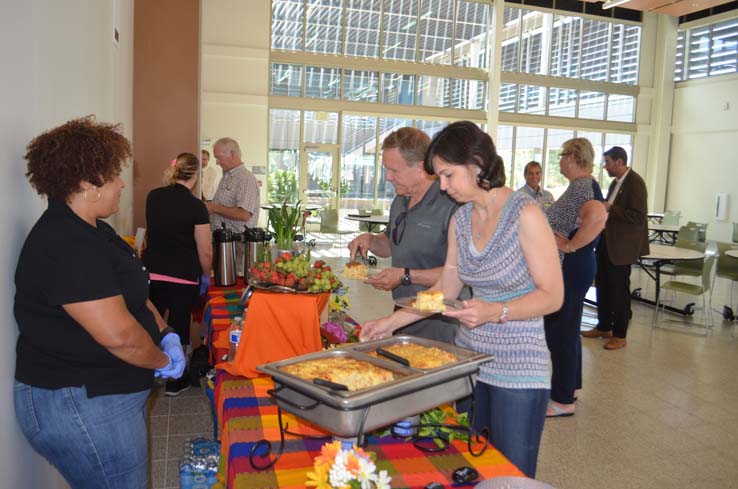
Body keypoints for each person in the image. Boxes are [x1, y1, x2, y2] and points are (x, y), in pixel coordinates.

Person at [360, 121, 564, 478]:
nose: (443, 186)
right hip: (470, 363)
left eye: (448, 175)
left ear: (477, 164)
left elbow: (553, 296)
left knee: (510, 475)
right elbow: (443, 291)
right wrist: (389, 323)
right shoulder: (462, 219)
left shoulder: (525, 214)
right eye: (438, 176)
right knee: (473, 468)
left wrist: (497, 311)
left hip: (519, 367)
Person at [13, 116, 185, 488]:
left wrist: (166, 331)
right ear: (88, 185)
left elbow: (134, 297)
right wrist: (161, 360)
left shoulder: (93, 230)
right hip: (80, 402)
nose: (122, 183)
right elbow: (120, 335)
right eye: (114, 175)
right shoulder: (66, 244)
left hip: (97, 396)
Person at [348, 127, 461, 343]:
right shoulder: (400, 201)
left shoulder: (451, 204)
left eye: (394, 170)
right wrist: (371, 240)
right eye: (385, 169)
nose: (388, 177)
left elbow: (460, 275)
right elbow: (391, 243)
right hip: (403, 316)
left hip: (443, 322)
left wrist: (405, 275)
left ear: (420, 167)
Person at [543, 138, 607, 418]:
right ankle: (571, 386)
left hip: (573, 263)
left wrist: (569, 245)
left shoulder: (582, 186)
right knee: (567, 327)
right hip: (575, 264)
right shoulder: (582, 185)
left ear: (573, 157)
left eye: (562, 155)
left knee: (560, 330)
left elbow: (598, 215)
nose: (560, 161)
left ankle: (562, 399)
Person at [143, 152, 213, 395]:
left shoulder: (153, 197)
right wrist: (206, 275)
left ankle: (147, 376)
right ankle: (176, 381)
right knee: (179, 327)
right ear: (195, 175)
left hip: (152, 273)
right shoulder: (196, 206)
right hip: (183, 277)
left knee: (152, 325)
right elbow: (205, 250)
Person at [582, 146, 648, 350]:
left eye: (608, 162)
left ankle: (619, 334)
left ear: (619, 162)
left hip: (621, 247)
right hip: (606, 243)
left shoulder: (635, 183)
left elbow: (638, 217)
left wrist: (611, 208)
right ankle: (603, 327)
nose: (605, 166)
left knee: (619, 291)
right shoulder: (615, 183)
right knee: (602, 285)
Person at [206, 137, 260, 275]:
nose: (217, 162)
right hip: (223, 242)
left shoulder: (245, 179)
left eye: (219, 157)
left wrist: (213, 207)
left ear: (233, 154)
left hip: (237, 245)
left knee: (234, 287)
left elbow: (244, 214)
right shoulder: (227, 177)